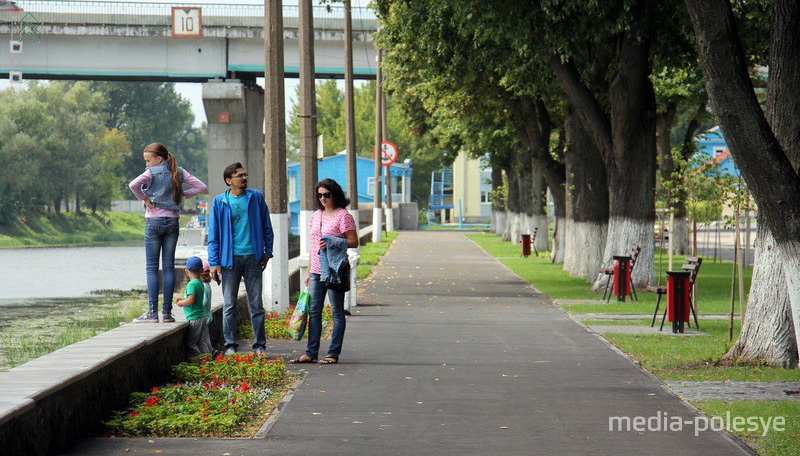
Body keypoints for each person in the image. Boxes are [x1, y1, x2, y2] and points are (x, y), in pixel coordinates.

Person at [129, 143, 208, 323]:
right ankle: (166, 313)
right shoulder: (179, 171)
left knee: (151, 267)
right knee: (169, 266)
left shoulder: (151, 173)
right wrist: (183, 194)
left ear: (158, 158)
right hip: (172, 222)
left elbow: (133, 185)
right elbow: (202, 187)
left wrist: (145, 198)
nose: (147, 164)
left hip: (154, 222)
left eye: (148, 160)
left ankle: (152, 313)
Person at [207, 162, 274, 356]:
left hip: (253, 257)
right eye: (239, 175)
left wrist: (267, 252)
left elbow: (266, 226)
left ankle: (259, 345)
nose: (244, 178)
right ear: (229, 181)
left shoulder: (256, 198)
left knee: (256, 305)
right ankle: (230, 345)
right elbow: (214, 235)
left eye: (245, 175)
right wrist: (213, 262)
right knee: (229, 304)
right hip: (229, 260)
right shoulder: (220, 202)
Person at [290, 179, 358, 365]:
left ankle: (333, 353)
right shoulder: (316, 215)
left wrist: (332, 241)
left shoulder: (343, 215)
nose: (323, 199)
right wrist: (309, 271)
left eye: (326, 195)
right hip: (316, 271)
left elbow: (353, 241)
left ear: (335, 194)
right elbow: (314, 246)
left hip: (335, 269)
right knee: (314, 312)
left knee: (336, 312)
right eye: (319, 195)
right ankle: (311, 352)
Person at [175, 256, 209, 357]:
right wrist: (183, 298)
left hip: (194, 317)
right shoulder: (200, 283)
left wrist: (181, 303)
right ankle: (208, 359)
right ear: (202, 270)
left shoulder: (191, 284)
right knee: (201, 342)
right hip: (202, 316)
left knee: (191, 343)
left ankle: (199, 361)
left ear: (186, 271)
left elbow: (191, 300)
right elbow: (195, 297)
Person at [199, 260, 214, 355]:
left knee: (203, 339)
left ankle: (208, 354)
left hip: (203, 316)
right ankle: (212, 351)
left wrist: (195, 305)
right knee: (206, 337)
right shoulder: (207, 285)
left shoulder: (203, 286)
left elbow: (204, 301)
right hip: (207, 315)